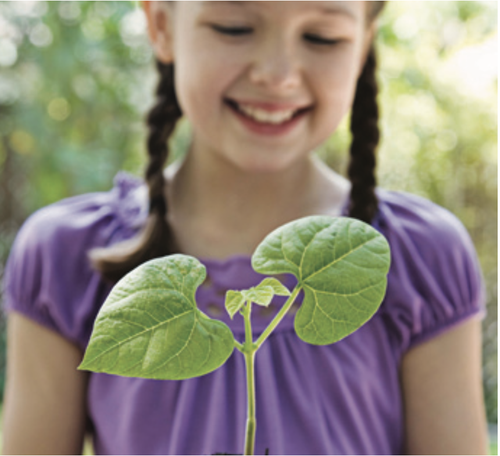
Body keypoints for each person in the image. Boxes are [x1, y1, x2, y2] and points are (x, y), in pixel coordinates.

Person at [1, 1, 489, 454]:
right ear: (161, 24)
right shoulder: (66, 256)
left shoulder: (421, 257)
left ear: (364, 43)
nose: (277, 75)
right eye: (234, 27)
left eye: (321, 37)